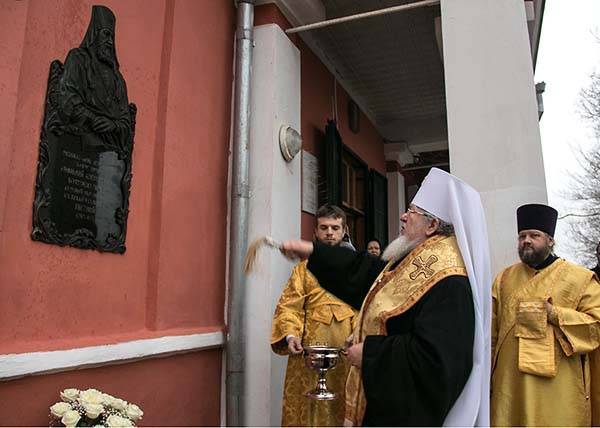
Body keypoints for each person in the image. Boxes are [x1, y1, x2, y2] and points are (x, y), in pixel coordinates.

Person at [280, 168, 491, 426]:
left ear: (432, 225)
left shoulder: (449, 281)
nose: (403, 216)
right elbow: (368, 274)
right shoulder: (418, 259)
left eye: (412, 211)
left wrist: (370, 354)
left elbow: (435, 362)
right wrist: (314, 252)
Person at [491, 204, 600, 426]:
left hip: (558, 385)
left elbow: (596, 325)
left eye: (534, 235)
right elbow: (491, 332)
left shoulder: (579, 278)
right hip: (511, 383)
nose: (526, 241)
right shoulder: (504, 279)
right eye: (522, 236)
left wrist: (555, 314)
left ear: (550, 240)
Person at [271, 204, 357, 427]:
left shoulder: (356, 268)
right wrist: (290, 335)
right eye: (324, 227)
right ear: (315, 232)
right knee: (308, 412)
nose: (329, 233)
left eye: (335, 228)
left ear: (344, 231)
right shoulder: (302, 270)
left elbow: (365, 308)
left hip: (346, 356)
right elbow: (289, 307)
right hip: (308, 356)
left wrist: (357, 335)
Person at [57, 5, 133, 153]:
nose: (110, 41)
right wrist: (92, 119)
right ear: (94, 34)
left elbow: (126, 122)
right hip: (77, 139)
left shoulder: (118, 80)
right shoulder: (78, 59)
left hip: (108, 149)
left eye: (112, 37)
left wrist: (113, 125)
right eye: (106, 34)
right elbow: (67, 97)